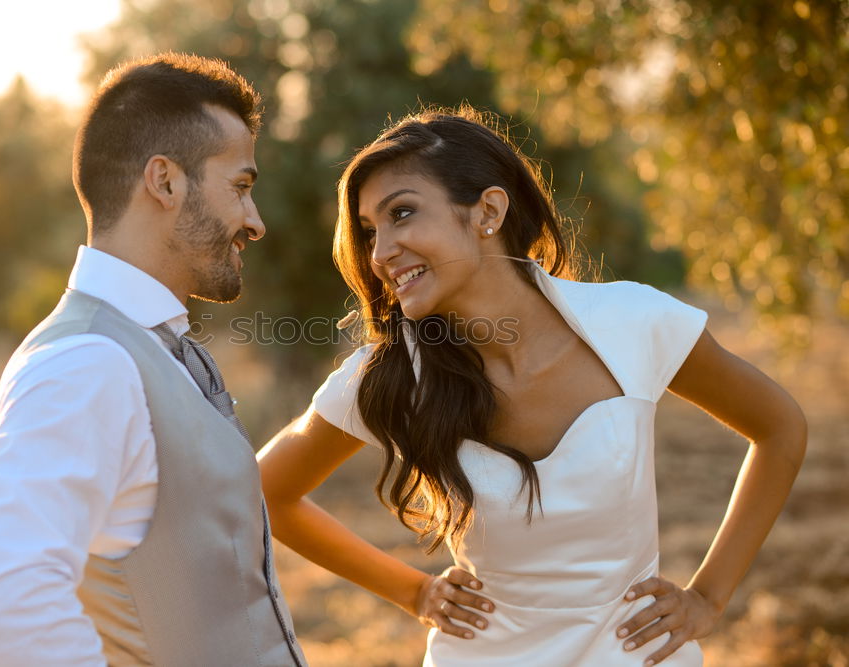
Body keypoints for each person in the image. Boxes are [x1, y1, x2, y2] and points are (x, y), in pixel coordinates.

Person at [257, 108, 806, 666]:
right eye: (371, 231)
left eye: (402, 213)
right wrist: (414, 591)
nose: (379, 254)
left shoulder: (633, 323)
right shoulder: (391, 375)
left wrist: (708, 597)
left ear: (488, 211)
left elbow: (779, 427)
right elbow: (266, 493)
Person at [0, 53, 306, 667]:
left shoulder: (149, 347)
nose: (255, 221)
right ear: (165, 181)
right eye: (241, 188)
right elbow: (0, 598)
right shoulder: (85, 364)